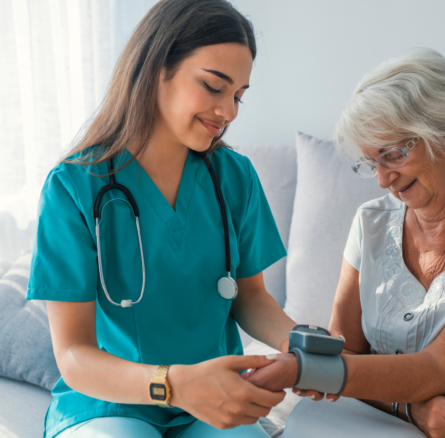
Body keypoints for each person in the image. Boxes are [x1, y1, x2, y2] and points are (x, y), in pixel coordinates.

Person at [26, 1, 298, 437]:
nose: (228, 111)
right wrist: (172, 384)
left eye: (238, 96)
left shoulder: (235, 177)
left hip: (213, 401)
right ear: (156, 68)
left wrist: (300, 343)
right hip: (109, 402)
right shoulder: (74, 186)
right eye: (214, 86)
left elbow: (251, 297)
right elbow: (73, 353)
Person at [243, 48, 445, 437]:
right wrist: (409, 408)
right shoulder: (373, 222)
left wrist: (305, 368)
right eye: (372, 162)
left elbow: (440, 369)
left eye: (392, 154)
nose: (383, 180)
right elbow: (347, 352)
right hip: (384, 415)